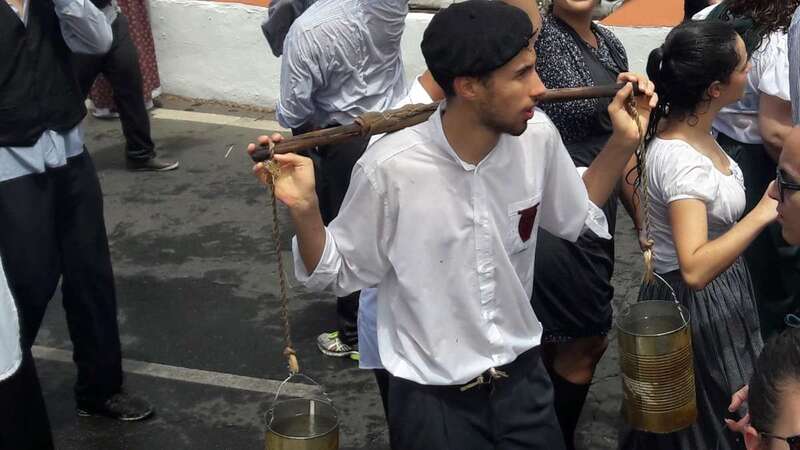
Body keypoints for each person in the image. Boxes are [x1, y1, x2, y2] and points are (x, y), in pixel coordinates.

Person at [251, 2, 656, 448]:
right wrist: (305, 207)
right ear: (468, 87)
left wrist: (624, 141)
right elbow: (336, 271)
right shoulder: (391, 167)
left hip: (523, 386)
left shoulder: (537, 137)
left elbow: (574, 213)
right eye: (522, 74)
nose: (539, 88)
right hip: (432, 402)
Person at [619, 20, 778, 450]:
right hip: (699, 307)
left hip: (715, 292)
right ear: (715, 88)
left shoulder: (680, 131)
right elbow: (693, 268)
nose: (750, 70)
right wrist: (762, 213)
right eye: (743, 65)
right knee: (714, 420)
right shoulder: (684, 161)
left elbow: (632, 169)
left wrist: (648, 228)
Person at [0, 0, 153, 446]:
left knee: (91, 274)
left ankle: (100, 389)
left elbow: (98, 40)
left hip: (67, 148)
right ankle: (11, 392)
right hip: (9, 161)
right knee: (27, 285)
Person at [271, 0, 410, 360]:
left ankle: (353, 335)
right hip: (398, 128)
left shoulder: (307, 31)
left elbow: (293, 111)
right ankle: (385, 319)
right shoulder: (390, 6)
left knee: (348, 237)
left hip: (344, 140)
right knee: (393, 228)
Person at [530, 1, 634, 447]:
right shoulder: (538, 36)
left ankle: (541, 432)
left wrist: (644, 223)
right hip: (552, 208)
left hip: (599, 206)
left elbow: (622, 140)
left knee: (560, 339)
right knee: (584, 340)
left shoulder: (609, 43)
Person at [695, 0, 799, 339]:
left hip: (715, 144)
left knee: (743, 256)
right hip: (762, 161)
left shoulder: (709, 17)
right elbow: (775, 132)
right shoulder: (777, 37)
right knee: (777, 269)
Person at [71, 0, 178, 172]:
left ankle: (140, 155)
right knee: (69, 99)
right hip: (76, 28)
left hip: (111, 21)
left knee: (131, 89)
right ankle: (61, 160)